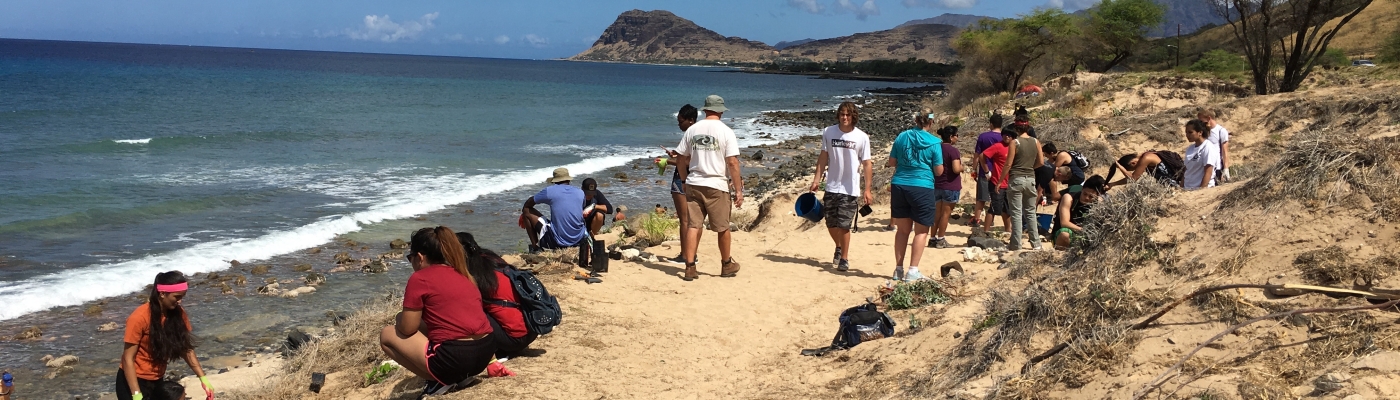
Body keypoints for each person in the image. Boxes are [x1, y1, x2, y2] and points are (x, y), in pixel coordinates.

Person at [381, 227, 497, 395]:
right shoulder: (462, 273)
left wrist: (399, 318)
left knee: (386, 335)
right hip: (485, 352)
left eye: (410, 258)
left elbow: (407, 328)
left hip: (455, 357)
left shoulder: (420, 278)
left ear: (420, 257)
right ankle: (459, 377)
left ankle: (437, 380)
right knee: (431, 323)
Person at [671, 95, 744, 281]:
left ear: (705, 110)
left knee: (693, 225)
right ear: (720, 111)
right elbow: (733, 163)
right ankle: (726, 264)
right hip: (716, 184)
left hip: (694, 182)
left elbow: (680, 158)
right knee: (722, 227)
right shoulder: (726, 131)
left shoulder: (692, 130)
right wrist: (738, 190)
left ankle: (690, 266)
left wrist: (685, 180)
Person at [116, 271, 208, 400]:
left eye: (182, 297)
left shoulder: (178, 314)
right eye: (177, 297)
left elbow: (185, 348)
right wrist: (136, 394)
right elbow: (128, 359)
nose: (180, 301)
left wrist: (203, 378)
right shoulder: (139, 317)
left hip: (157, 379)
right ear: (163, 294)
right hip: (132, 380)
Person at [457, 232, 537, 378]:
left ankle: (492, 352)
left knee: (465, 312)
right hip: (532, 329)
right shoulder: (491, 259)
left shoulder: (472, 274)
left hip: (514, 338)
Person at [808, 101, 873, 272]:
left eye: (848, 114)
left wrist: (867, 189)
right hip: (831, 185)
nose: (845, 117)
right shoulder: (829, 132)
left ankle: (844, 258)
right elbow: (823, 157)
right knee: (831, 224)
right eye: (842, 114)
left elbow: (867, 164)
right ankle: (838, 247)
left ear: (853, 117)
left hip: (850, 188)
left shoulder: (862, 137)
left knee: (844, 225)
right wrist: (816, 180)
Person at [886, 110, 944, 281]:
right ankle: (912, 270)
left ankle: (898, 269)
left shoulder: (902, 136)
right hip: (922, 186)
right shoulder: (934, 143)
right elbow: (939, 170)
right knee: (921, 231)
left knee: (902, 231)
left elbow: (891, 162)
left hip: (900, 184)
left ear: (916, 120)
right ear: (931, 123)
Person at [520, 168, 589, 258]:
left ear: (555, 181)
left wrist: (524, 217)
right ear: (568, 179)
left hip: (557, 242)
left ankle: (535, 247)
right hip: (579, 239)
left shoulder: (549, 191)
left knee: (526, 211)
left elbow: (528, 203)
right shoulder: (580, 192)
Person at [1003, 123, 1044, 251]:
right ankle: (1036, 243)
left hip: (1016, 178)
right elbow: (1041, 162)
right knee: (1031, 212)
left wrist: (1000, 181)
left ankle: (1016, 243)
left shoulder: (1015, 142)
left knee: (1016, 212)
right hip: (1030, 178)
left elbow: (1008, 164)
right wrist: (1031, 167)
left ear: (1016, 129)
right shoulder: (1035, 141)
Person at [667, 105, 698, 263]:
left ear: (690, 121)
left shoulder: (690, 135)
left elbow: (686, 161)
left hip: (682, 179)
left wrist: (669, 161)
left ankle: (686, 255)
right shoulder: (698, 135)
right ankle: (692, 253)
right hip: (694, 179)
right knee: (694, 219)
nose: (679, 125)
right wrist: (676, 154)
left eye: (681, 121)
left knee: (685, 219)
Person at [974, 129, 1013, 235]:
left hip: (1009, 182)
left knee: (1007, 208)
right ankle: (986, 231)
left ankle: (1008, 230)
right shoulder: (998, 146)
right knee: (994, 208)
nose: (1006, 137)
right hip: (996, 181)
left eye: (1009, 135)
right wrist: (986, 171)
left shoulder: (1014, 148)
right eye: (1005, 135)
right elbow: (982, 156)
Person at [931, 126, 964, 249]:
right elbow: (956, 169)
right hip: (950, 185)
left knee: (937, 213)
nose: (957, 138)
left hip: (937, 184)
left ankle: (932, 238)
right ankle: (941, 239)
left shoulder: (936, 149)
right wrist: (962, 167)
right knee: (945, 214)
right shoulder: (953, 151)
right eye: (956, 135)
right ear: (951, 137)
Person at [971, 114, 1005, 228]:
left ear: (991, 124)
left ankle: (977, 219)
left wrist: (974, 168)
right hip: (1000, 172)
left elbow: (977, 155)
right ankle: (991, 220)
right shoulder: (1005, 138)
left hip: (984, 170)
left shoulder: (983, 136)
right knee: (995, 197)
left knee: (981, 197)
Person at [1053, 175, 1105, 250]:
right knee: (1065, 234)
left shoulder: (1099, 203)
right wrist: (1084, 231)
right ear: (1082, 189)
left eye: (1091, 196)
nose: (1086, 198)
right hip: (1067, 233)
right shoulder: (1069, 198)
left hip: (1086, 236)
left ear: (1098, 195)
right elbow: (1064, 223)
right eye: (1084, 194)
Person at [1106, 150, 1183, 189]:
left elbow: (1133, 178)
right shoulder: (1145, 158)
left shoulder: (1146, 158)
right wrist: (1113, 184)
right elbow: (1130, 178)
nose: (1135, 170)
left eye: (1133, 169)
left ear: (1133, 163)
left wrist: (1120, 167)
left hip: (1179, 183)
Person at [1182, 119, 1220, 190]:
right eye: (1186, 132)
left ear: (1200, 132)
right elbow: (1186, 171)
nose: (1187, 135)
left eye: (1190, 132)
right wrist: (1181, 187)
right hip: (1187, 189)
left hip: (1201, 190)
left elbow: (1208, 171)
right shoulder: (1190, 149)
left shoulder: (1208, 146)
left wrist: (1201, 190)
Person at [1197, 108, 1231, 182]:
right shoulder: (1202, 132)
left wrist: (1226, 169)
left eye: (1201, 121)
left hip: (1216, 168)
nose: (1200, 123)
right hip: (1203, 167)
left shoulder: (1221, 131)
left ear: (1209, 118)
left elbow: (1225, 152)